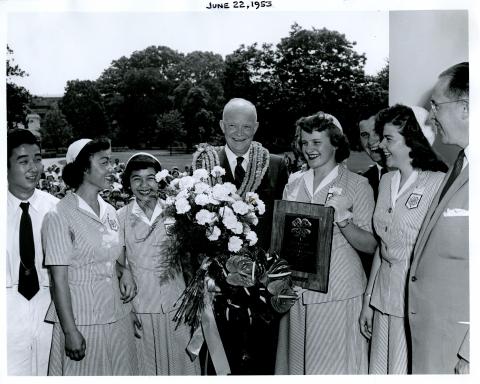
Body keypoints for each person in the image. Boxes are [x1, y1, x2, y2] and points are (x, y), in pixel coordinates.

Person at [276, 111, 377, 374]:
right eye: (304, 142)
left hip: (339, 293)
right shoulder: (293, 182)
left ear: (335, 143)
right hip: (297, 293)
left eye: (317, 142)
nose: (308, 149)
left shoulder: (357, 184)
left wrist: (344, 220)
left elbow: (372, 245)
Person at [194, 98, 288, 375]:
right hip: (218, 283)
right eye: (232, 125)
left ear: (256, 127)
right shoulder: (205, 164)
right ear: (222, 125)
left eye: (246, 126)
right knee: (222, 358)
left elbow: (281, 222)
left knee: (261, 357)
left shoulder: (276, 164)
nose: (239, 132)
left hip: (261, 282)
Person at [359, 105, 447, 374]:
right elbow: (383, 250)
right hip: (382, 302)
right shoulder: (386, 181)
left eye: (389, 139)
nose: (380, 145)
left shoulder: (438, 184)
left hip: (413, 307)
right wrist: (368, 301)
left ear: (412, 140)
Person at [42, 138, 139, 375]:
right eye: (104, 162)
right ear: (84, 167)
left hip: (117, 317)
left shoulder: (110, 211)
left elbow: (108, 258)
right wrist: (70, 331)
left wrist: (123, 270)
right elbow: (58, 281)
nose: (112, 168)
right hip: (82, 322)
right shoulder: (59, 215)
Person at [407, 62, 469, 374]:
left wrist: (471, 355)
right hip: (436, 344)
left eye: (436, 105)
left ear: (466, 108)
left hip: (459, 352)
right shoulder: (461, 163)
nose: (431, 116)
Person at [118, 153, 201, 375]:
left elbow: (192, 260)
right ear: (128, 183)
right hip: (140, 309)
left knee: (181, 369)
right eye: (137, 179)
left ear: (160, 180)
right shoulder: (119, 217)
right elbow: (115, 264)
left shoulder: (180, 212)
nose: (144, 186)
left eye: (151, 178)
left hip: (177, 308)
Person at [6, 129, 59, 375]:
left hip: (49, 304)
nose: (33, 167)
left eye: (37, 159)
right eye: (23, 161)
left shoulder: (56, 209)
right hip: (7, 307)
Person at [358, 114, 387, 200]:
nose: (370, 141)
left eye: (377, 132)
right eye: (365, 135)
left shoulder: (414, 175)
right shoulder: (362, 182)